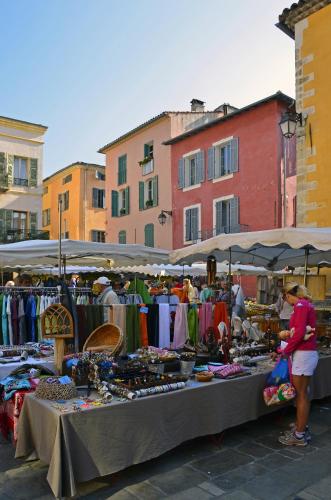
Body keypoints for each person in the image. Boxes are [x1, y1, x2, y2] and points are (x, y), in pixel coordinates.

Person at [278, 282, 318, 447]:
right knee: (302, 394)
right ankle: (301, 427)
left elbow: (300, 332)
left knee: (301, 395)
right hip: (305, 353)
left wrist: (286, 351)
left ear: (288, 295)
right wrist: (289, 335)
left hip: (303, 354)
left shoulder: (300, 305)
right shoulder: (305, 305)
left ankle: (299, 435)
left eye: (284, 297)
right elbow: (300, 331)